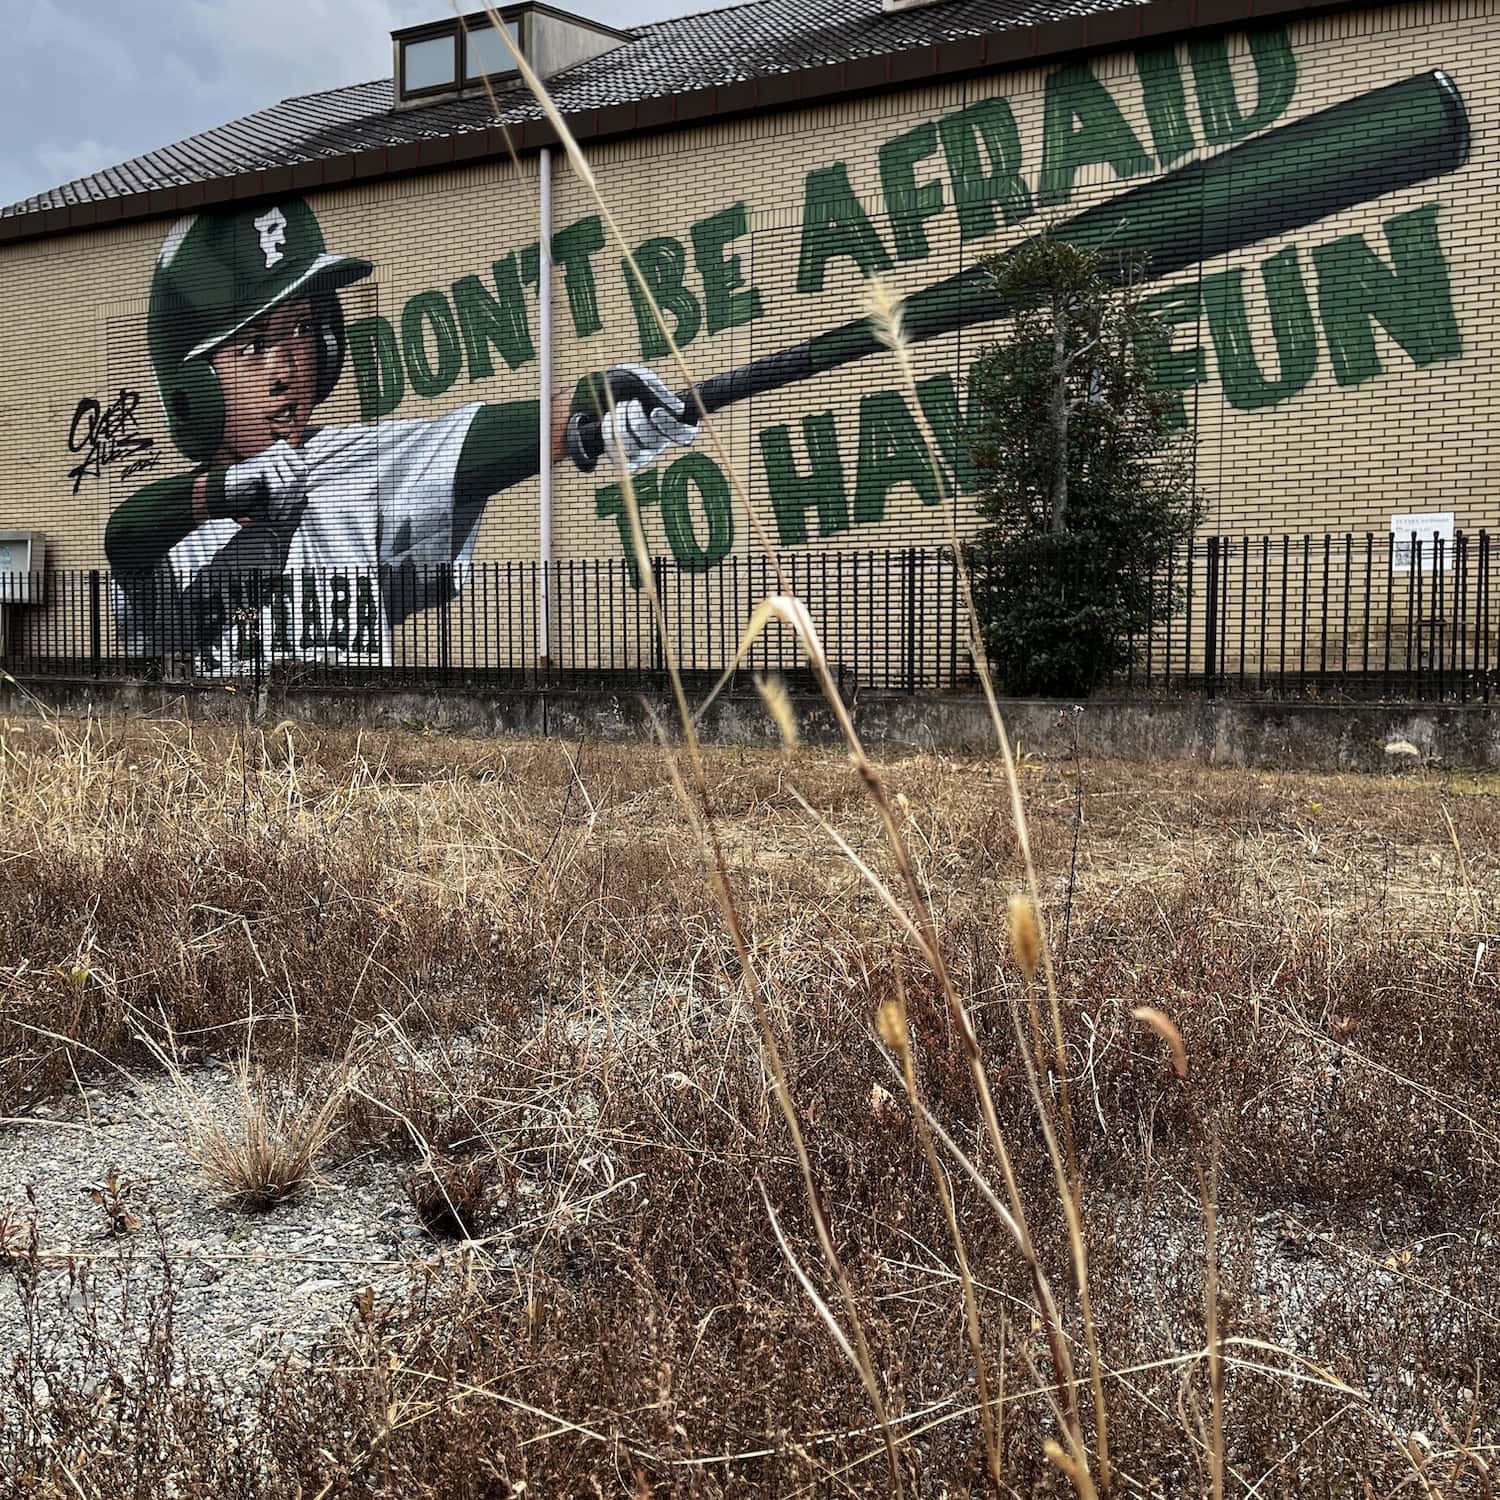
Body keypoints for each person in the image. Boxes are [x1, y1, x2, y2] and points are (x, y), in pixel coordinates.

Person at [106, 197, 695, 671]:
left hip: (361, 756)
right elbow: (125, 539)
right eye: (255, 345)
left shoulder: (348, 459)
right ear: (194, 387)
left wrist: (589, 413)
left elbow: (465, 442)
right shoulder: (171, 534)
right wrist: (224, 491)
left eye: (304, 330)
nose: (286, 368)